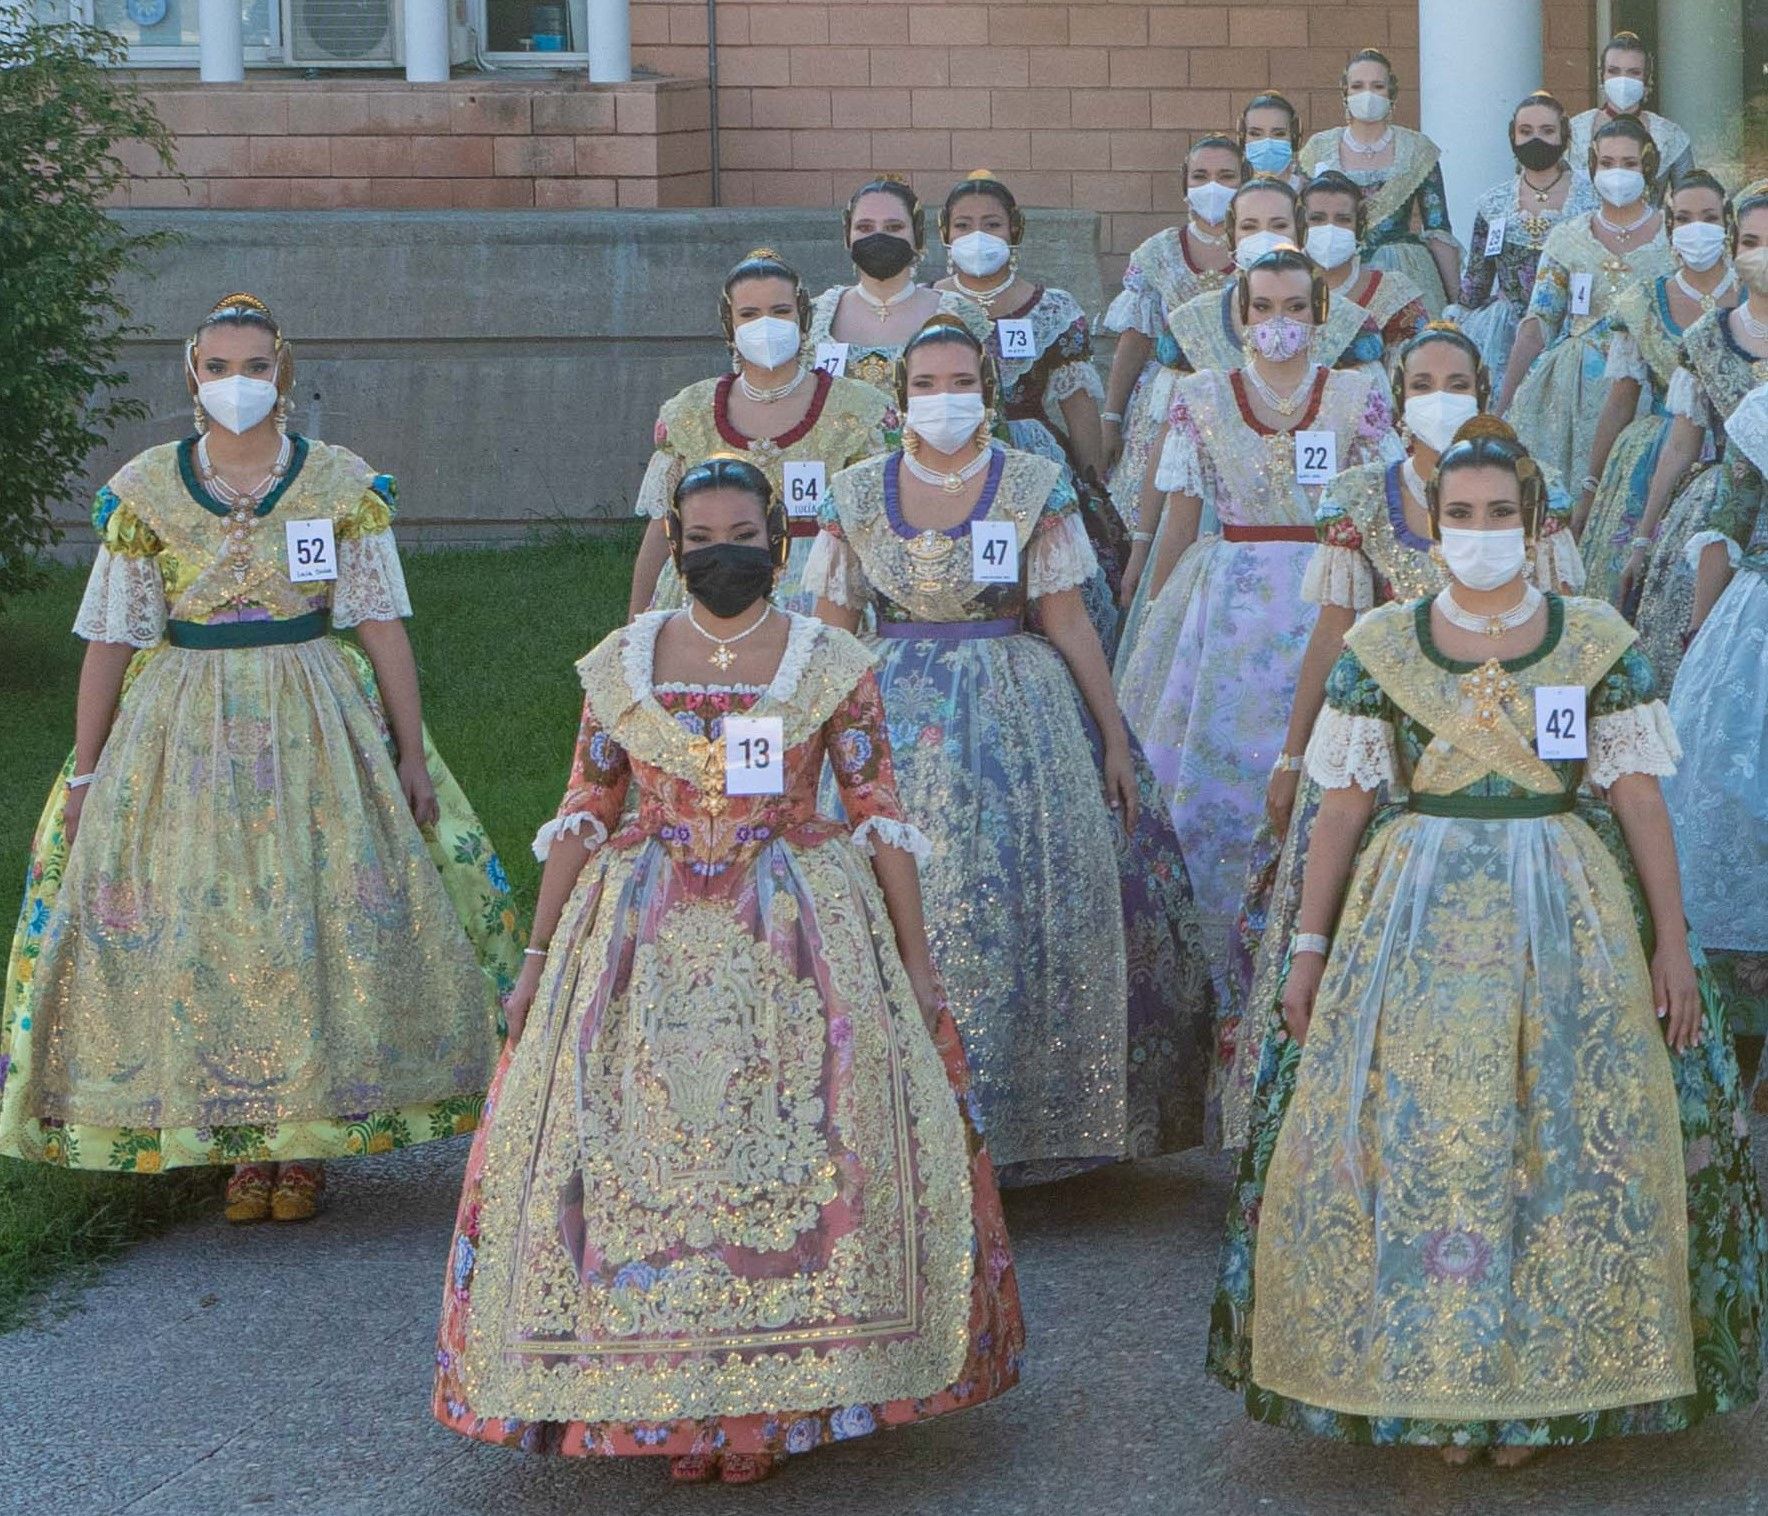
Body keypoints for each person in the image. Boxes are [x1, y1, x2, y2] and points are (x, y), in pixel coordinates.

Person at [434, 458, 1024, 1485]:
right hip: (641, 936)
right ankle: (665, 1399)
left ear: (778, 541)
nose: (721, 553)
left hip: (797, 932)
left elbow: (877, 809)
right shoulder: (623, 660)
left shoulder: (828, 659)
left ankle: (767, 1405)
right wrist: (533, 960)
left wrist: (919, 964)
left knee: (792, 1161)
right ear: (673, 539)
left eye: (740, 534)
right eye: (701, 536)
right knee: (639, 1163)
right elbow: (586, 805)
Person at [1211, 421, 1765, 1464]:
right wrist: (1309, 948)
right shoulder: (1381, 644)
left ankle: (1538, 1389)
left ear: (1532, 519)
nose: (1477, 532)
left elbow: (1638, 797)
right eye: (1458, 516)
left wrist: (1674, 943)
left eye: (1497, 514)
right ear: (1429, 524)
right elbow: (1341, 808)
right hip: (1410, 923)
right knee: (1430, 1144)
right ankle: (1440, 1382)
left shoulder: (1594, 637)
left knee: (1559, 1138)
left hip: (1568, 913)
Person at [0, 294, 520, 1221]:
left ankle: (307, 1140)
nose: (237, 385)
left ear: (285, 370)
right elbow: (111, 642)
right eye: (217, 369)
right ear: (190, 377)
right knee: (211, 924)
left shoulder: (339, 483)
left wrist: (408, 750)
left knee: (312, 914)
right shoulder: (147, 489)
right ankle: (242, 1147)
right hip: (179, 726)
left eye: (254, 367)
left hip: (316, 715)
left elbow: (381, 621)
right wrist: (85, 775)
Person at [807, 317, 1214, 1179]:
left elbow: (1066, 616)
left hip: (1018, 711)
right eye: (925, 384)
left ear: (987, 390)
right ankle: (899, 1128)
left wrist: (1111, 733)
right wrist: (805, 748)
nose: (943, 400)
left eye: (961, 382)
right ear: (900, 395)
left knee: (1017, 889)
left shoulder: (1031, 481)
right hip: (889, 711)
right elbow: (831, 632)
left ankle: (1027, 1130)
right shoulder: (854, 491)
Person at [1217, 337, 1582, 1148]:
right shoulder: (1358, 498)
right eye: (1424, 383)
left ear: (1486, 388)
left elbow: (1562, 645)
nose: (1441, 396)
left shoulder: (1532, 499)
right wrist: (1291, 752)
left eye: (1458, 382)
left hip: (1508, 766)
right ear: (1397, 391)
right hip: (1378, 757)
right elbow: (1332, 635)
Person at [1115, 249, 1402, 998]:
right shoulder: (1202, 396)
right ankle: (1218, 972)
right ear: (1239, 315)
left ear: (1321, 315)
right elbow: (1181, 512)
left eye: (1296, 308)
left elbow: (1384, 509)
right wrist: (1154, 611)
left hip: (1334, 595)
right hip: (1228, 608)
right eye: (1265, 307)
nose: (1280, 323)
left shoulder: (1355, 395)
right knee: (1214, 784)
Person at [627, 250, 892, 617]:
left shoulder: (858, 409)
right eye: (749, 314)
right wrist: (635, 627)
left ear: (803, 320)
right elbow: (662, 528)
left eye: (780, 311)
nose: (766, 325)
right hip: (711, 594)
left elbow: (881, 525)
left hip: (827, 596)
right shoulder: (689, 412)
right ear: (729, 327)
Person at [932, 170, 1126, 653]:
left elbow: (1077, 404)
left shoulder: (1052, 307)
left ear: (1014, 230)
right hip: (948, 454)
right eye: (964, 225)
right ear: (944, 233)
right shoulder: (925, 303)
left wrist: (1091, 479)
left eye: (991, 224)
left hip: (1035, 456)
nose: (978, 236)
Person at [1663, 379, 1768, 1090]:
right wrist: (1704, 635)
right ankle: (1739, 1068)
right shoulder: (1761, 413)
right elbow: (1725, 529)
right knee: (1733, 822)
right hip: (1754, 641)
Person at [1621, 184, 1768, 690]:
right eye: (1751, 242)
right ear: (1733, 248)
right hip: (1720, 509)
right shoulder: (1706, 337)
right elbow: (1682, 445)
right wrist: (1643, 535)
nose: (1763, 255)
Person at [1578, 170, 1740, 602]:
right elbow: (1620, 402)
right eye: (1684, 218)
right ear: (1669, 228)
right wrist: (1590, 487)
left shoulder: (1754, 295)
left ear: (1727, 223)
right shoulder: (1642, 302)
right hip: (1655, 455)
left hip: (1743, 452)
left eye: (1708, 216)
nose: (1696, 228)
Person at [1499, 114, 1673, 492]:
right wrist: (1501, 406)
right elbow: (1539, 321)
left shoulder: (1672, 239)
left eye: (1629, 164)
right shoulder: (1568, 238)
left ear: (1647, 166)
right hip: (1571, 396)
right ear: (1593, 165)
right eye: (1607, 163)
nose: (1618, 173)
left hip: (1652, 390)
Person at [1100, 134, 1241, 532]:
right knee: (1156, 523)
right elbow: (1135, 339)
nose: (1213, 186)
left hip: (1240, 402)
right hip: (1167, 402)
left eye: (1227, 176)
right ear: (1184, 184)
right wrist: (1111, 417)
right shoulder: (1157, 253)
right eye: (1201, 176)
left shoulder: (1267, 252)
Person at [1451, 90, 1598, 398]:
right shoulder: (1494, 203)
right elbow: (1477, 281)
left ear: (1565, 136)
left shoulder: (1593, 200)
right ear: (1513, 138)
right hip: (1502, 333)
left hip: (1572, 330)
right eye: (1526, 132)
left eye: (1547, 131)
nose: (1536, 141)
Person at [1298, 48, 1460, 314]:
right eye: (1358, 86)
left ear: (1391, 93)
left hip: (1405, 268)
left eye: (1377, 86)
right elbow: (1301, 221)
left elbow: (1437, 229)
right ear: (1345, 93)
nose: (1368, 94)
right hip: (1335, 266)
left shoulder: (1417, 148)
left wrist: (1455, 301)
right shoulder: (1319, 148)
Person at [804, 175, 990, 399]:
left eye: (893, 227)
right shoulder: (815, 316)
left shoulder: (959, 315)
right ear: (847, 235)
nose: (879, 236)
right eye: (865, 227)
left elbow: (984, 406)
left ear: (917, 235)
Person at [1299, 170, 1431, 372]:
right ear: (1301, 224)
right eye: (1317, 219)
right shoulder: (1277, 290)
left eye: (1343, 219)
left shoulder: (1393, 293)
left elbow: (1415, 373)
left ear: (1359, 226)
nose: (1330, 229)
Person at [1568, 29, 1694, 187]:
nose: (1622, 80)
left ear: (1646, 78)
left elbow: (1689, 198)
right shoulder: (1573, 131)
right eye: (1613, 71)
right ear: (1602, 76)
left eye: (1634, 72)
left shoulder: (1672, 136)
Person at [1239, 92, 1306, 192]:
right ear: (1243, 138)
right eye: (1255, 134)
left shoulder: (1311, 196)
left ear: (1294, 138)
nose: (1268, 144)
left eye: (1279, 134)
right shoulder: (1230, 193)